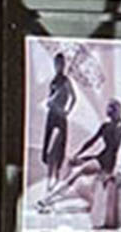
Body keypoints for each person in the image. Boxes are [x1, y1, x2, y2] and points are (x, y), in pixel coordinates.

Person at [36, 98, 121, 213]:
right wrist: (78, 153)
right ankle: (48, 199)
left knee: (92, 191)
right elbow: (91, 141)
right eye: (110, 109)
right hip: (103, 159)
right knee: (77, 172)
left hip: (117, 163)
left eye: (115, 109)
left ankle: (51, 202)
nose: (112, 112)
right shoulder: (106, 126)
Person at [40, 52, 75, 190]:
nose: (59, 66)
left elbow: (74, 98)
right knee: (48, 148)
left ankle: (56, 177)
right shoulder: (53, 81)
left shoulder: (66, 81)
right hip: (51, 115)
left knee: (58, 147)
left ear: (64, 65)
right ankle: (49, 179)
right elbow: (50, 98)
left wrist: (67, 111)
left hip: (61, 116)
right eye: (56, 64)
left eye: (61, 64)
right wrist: (50, 101)